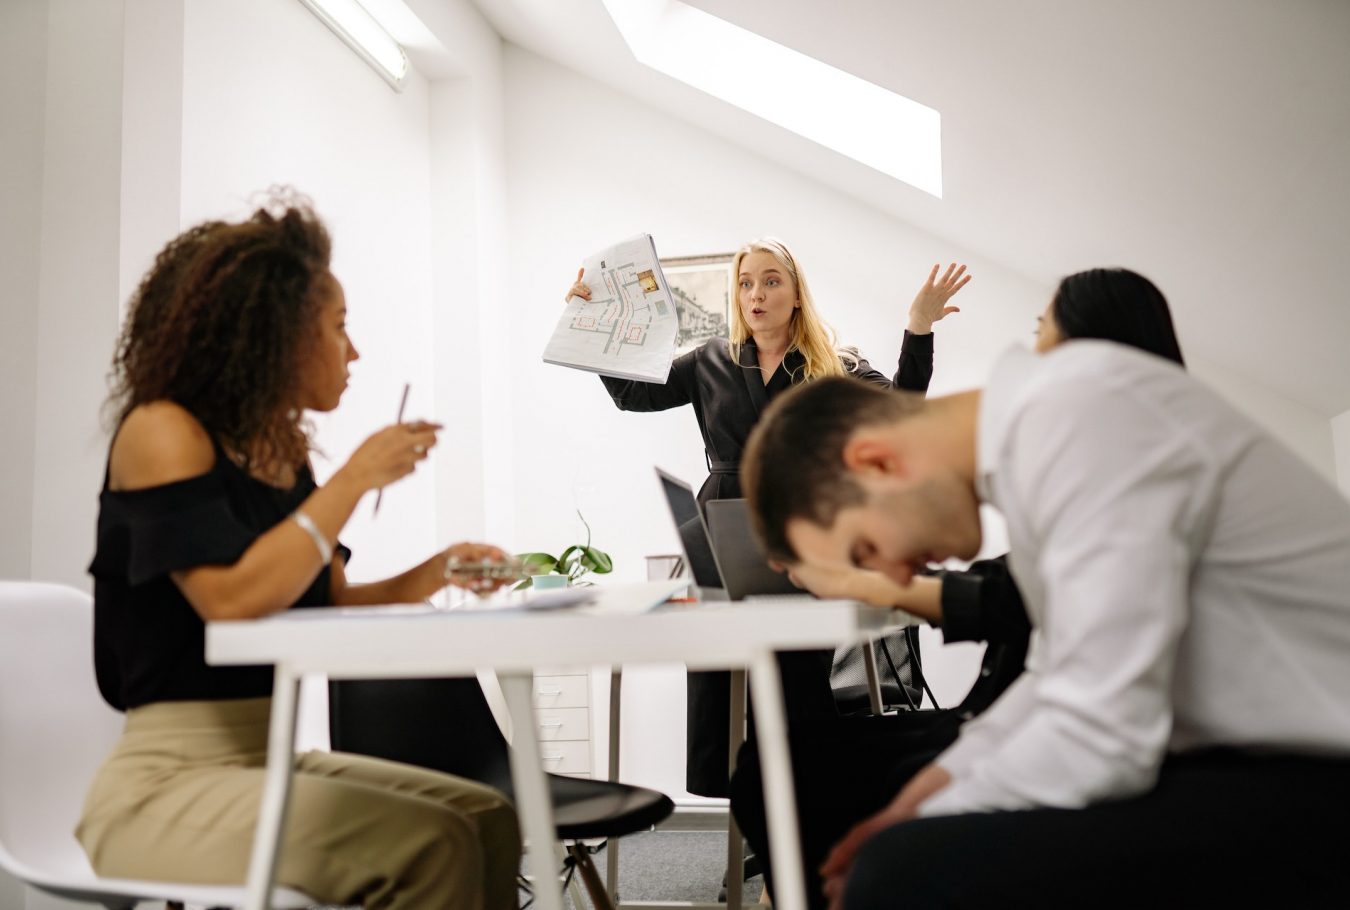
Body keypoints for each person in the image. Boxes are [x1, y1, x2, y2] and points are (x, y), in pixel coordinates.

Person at [741, 273, 1350, 908]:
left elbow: (1102, 731)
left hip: (1319, 774)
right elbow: (1053, 675)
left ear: (876, 462)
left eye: (866, 549)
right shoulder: (1038, 432)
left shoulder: (1075, 414)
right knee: (897, 839)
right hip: (1256, 755)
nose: (891, 579)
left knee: (899, 874)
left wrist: (923, 821)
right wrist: (926, 792)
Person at [79, 194, 522, 909]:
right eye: (339, 327)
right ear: (274, 335)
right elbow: (231, 600)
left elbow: (332, 601)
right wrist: (352, 479)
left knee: (490, 819)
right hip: (162, 785)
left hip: (264, 761)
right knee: (433, 844)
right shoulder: (160, 432)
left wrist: (440, 569)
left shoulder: (285, 457)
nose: (353, 351)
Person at [569, 238, 971, 797]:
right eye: (745, 282)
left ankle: (799, 827)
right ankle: (753, 827)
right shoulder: (709, 358)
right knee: (722, 682)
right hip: (722, 527)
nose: (756, 293)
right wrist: (594, 323)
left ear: (796, 293)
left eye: (771, 280)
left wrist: (918, 328)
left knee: (798, 683)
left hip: (801, 531)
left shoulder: (835, 364)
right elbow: (632, 395)